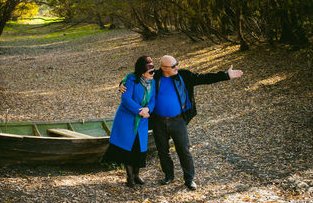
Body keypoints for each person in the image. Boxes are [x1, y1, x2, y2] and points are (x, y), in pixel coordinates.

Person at [120, 55, 243, 190]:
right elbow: (136, 77)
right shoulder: (154, 76)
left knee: (184, 150)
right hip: (158, 121)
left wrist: (226, 75)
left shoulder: (184, 75)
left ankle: (189, 179)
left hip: (178, 120)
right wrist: (121, 84)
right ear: (163, 68)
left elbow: (204, 78)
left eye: (176, 64)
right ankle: (168, 176)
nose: (176, 67)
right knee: (163, 151)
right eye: (173, 66)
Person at [102, 55, 156, 187]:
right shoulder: (131, 79)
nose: (153, 73)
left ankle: (137, 175)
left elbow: (153, 99)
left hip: (142, 120)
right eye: (150, 72)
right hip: (127, 119)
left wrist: (148, 109)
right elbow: (125, 99)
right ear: (142, 71)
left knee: (139, 149)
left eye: (154, 70)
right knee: (129, 149)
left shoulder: (152, 81)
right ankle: (130, 177)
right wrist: (139, 110)